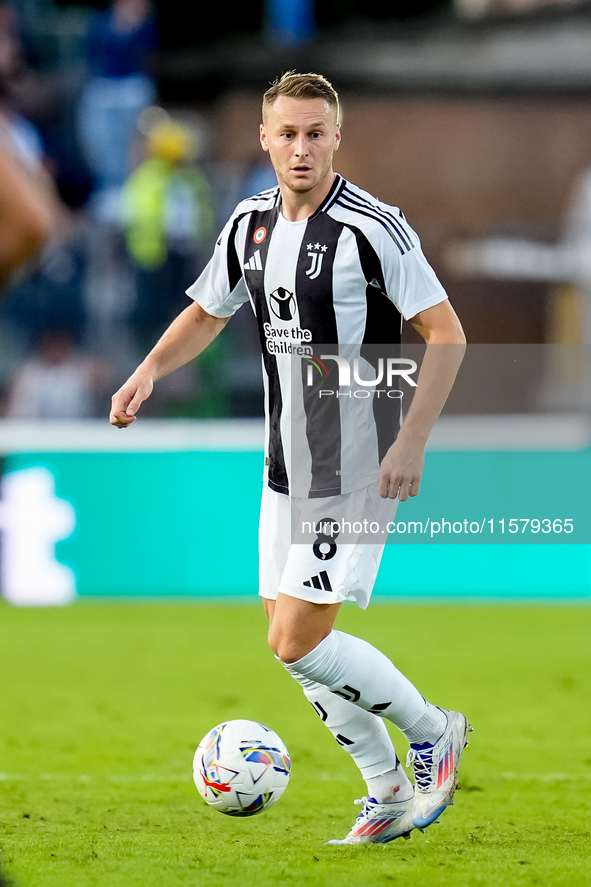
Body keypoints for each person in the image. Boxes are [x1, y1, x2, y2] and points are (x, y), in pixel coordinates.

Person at [110, 72, 470, 844]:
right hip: (285, 463)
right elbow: (207, 311)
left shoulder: (375, 228)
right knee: (290, 642)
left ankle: (433, 730)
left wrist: (410, 440)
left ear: (337, 138)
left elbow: (447, 334)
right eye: (288, 134)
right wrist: (146, 371)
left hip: (357, 461)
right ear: (266, 141)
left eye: (316, 133)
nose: (301, 147)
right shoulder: (247, 224)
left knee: (296, 639)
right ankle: (383, 789)